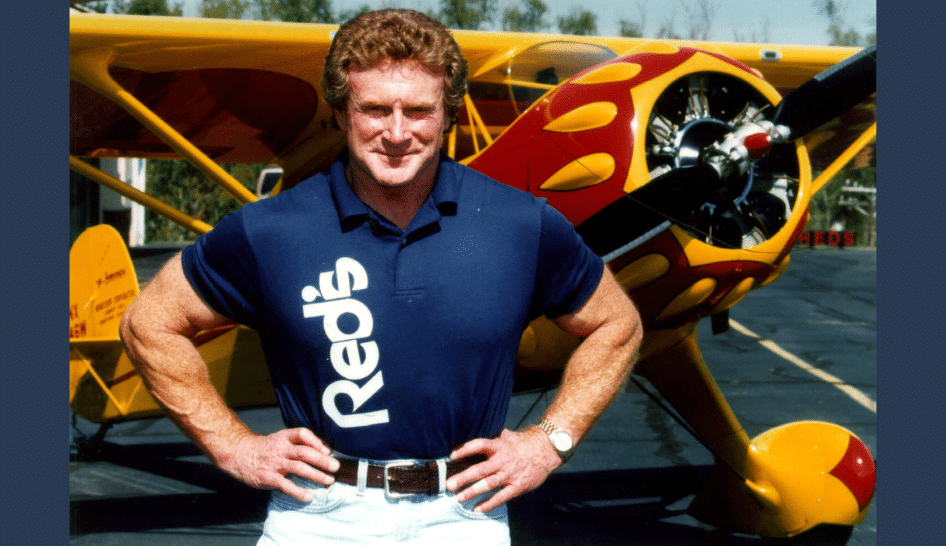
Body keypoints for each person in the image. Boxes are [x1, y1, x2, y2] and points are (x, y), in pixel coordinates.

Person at [120, 8, 642, 545]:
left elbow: (617, 324)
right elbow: (148, 324)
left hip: (465, 515)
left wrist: (548, 442)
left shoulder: (520, 224)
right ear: (341, 113)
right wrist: (234, 447)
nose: (397, 133)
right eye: (374, 109)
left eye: (418, 111)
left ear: (447, 115)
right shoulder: (271, 229)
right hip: (318, 516)